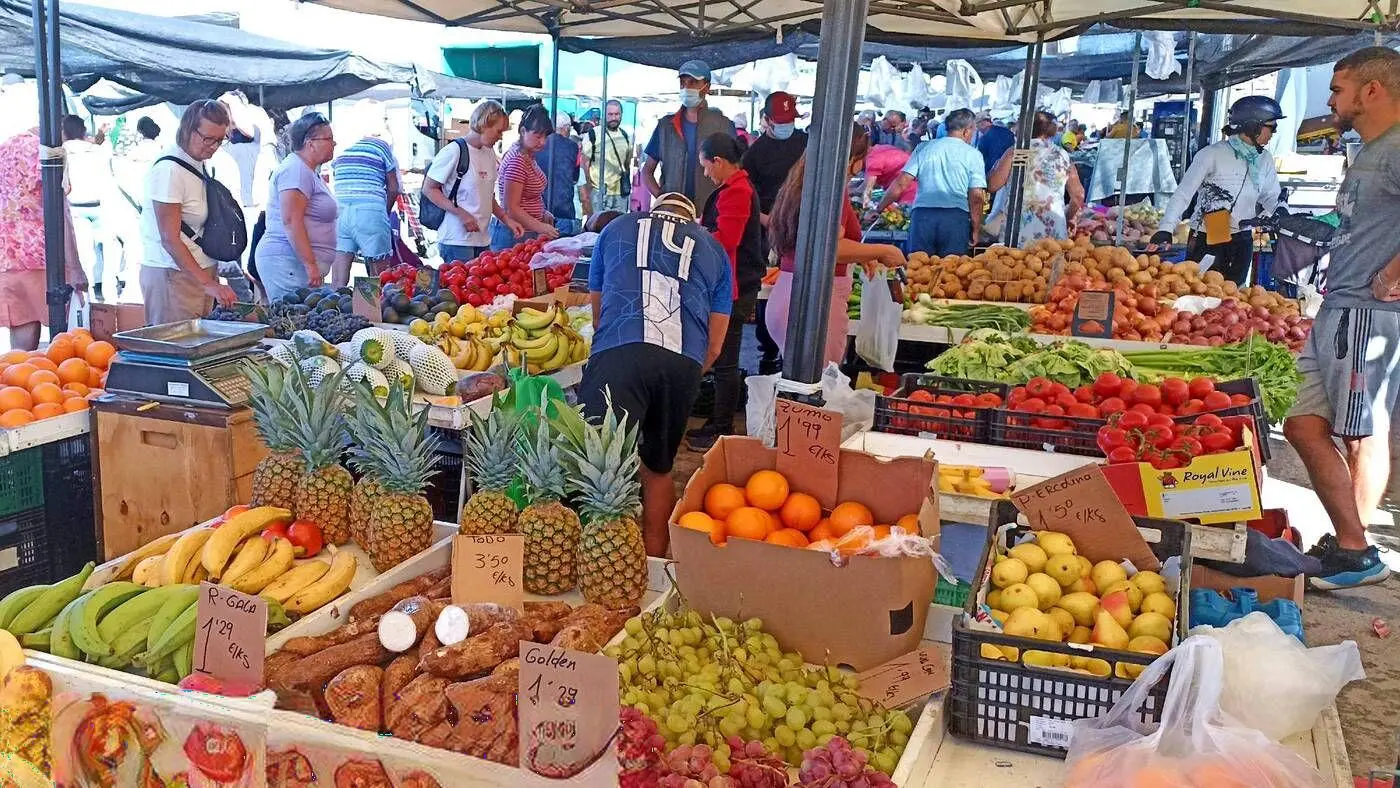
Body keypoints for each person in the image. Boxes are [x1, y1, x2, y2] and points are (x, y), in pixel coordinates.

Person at [1281, 47, 1400, 591]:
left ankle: (1356, 551)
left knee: (1361, 432)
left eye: (1338, 89)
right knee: (1302, 424)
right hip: (1338, 308)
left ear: (1371, 90)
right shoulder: (1371, 148)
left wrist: (1395, 271)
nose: (1331, 100)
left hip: (1367, 312)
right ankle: (1350, 539)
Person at [579, 193, 732, 557]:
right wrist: (687, 373)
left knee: (597, 466)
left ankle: (593, 561)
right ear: (694, 220)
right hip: (682, 362)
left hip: (619, 350)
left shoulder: (615, 228)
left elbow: (599, 316)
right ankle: (653, 566)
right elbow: (714, 346)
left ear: (650, 210)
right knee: (659, 466)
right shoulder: (714, 249)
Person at [766, 124, 907, 367]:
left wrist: (861, 255)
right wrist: (883, 251)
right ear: (852, 159)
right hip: (816, 305)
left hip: (787, 295)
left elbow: (820, 243)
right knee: (818, 395)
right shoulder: (830, 193)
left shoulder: (805, 184)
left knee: (798, 393)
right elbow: (830, 248)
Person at [1150, 96, 1283, 285]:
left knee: (1234, 295)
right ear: (1253, 125)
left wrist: (1281, 211)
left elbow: (1270, 194)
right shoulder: (1211, 154)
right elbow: (1183, 194)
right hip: (1211, 232)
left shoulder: (1264, 159)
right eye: (1271, 127)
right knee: (1201, 290)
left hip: (1243, 236)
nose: (1273, 133)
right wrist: (1166, 228)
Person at [689, 134, 764, 451]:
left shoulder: (737, 191)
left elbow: (727, 241)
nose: (706, 173)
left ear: (718, 161)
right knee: (724, 360)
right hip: (732, 284)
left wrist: (695, 235)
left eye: (706, 166)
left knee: (726, 361)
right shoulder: (736, 188)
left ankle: (722, 425)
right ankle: (719, 422)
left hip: (733, 287)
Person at [140, 99, 238, 324]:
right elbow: (169, 239)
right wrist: (207, 283)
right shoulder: (169, 171)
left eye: (219, 141)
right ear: (188, 129)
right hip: (173, 276)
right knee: (175, 349)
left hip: (197, 274)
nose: (213, 147)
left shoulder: (196, 163)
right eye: (208, 139)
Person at [0, 130, 85, 350]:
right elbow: (60, 211)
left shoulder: (5, 148)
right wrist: (76, 267)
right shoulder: (51, 152)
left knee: (21, 335)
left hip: (8, 254)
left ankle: (17, 382)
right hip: (44, 254)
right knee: (62, 342)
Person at [875, 108, 987, 257]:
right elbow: (976, 196)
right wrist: (976, 227)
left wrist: (879, 208)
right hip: (955, 218)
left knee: (918, 269)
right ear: (967, 131)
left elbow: (900, 184)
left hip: (923, 216)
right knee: (951, 273)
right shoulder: (973, 155)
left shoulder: (924, 148)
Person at [255, 113, 339, 303]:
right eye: (329, 139)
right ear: (310, 143)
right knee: (294, 321)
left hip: (295, 265)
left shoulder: (307, 171)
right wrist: (310, 265)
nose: (334, 144)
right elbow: (291, 220)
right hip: (287, 264)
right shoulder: (296, 170)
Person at [424, 100, 513, 264]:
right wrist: (461, 213)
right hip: (456, 240)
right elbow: (429, 189)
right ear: (484, 124)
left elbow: (487, 196)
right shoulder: (454, 151)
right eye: (498, 131)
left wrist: (506, 220)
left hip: (483, 239)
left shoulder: (489, 153)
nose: (500, 137)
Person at [642, 60, 735, 209]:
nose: (686, 88)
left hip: (709, 212)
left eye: (693, 82)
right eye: (683, 83)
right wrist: (662, 198)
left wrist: (722, 204)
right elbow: (647, 172)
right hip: (672, 212)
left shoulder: (724, 126)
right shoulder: (665, 126)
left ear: (707, 87)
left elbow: (734, 173)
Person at [987, 111, 1085, 242]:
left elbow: (993, 185)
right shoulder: (1062, 155)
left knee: (1015, 262)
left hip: (1019, 230)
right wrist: (1068, 217)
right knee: (1050, 261)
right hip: (1053, 230)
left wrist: (995, 167)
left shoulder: (1019, 152)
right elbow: (1078, 195)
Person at [330, 129, 400, 287]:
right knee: (378, 279)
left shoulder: (344, 153)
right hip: (370, 211)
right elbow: (394, 187)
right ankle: (372, 311)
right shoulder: (382, 146)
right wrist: (385, 212)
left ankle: (336, 309)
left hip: (340, 212)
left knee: (338, 280)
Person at [492, 105, 559, 251]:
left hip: (526, 233)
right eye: (538, 136)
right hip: (514, 235)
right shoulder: (517, 161)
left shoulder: (528, 156)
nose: (543, 142)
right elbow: (511, 208)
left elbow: (528, 196)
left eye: (545, 137)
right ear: (523, 131)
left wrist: (542, 213)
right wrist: (540, 226)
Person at [62, 114, 112, 298]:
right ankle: (107, 296)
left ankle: (87, 299)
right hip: (100, 205)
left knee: (84, 257)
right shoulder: (97, 150)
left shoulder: (62, 151)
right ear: (83, 130)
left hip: (75, 207)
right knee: (106, 255)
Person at [741, 92, 807, 225]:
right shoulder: (754, 154)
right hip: (769, 224)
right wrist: (765, 220)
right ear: (766, 119)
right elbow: (746, 197)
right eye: (781, 122)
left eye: (790, 120)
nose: (786, 125)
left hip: (803, 219)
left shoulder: (807, 143)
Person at [582, 99, 633, 215]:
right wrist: (588, 189)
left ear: (621, 115)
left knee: (618, 229)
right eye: (610, 114)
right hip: (599, 192)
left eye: (617, 114)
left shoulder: (625, 136)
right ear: (604, 115)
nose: (614, 118)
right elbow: (584, 163)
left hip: (620, 194)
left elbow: (627, 162)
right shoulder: (594, 134)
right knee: (598, 229)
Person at [535, 112, 583, 234]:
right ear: (566, 128)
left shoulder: (536, 145)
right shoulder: (573, 146)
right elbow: (575, 178)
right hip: (564, 211)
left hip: (537, 212)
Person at [975, 113, 1016, 178]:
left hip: (993, 176)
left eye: (977, 125)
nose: (977, 128)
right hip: (1010, 173)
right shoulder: (1008, 132)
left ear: (983, 123)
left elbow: (980, 161)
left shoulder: (984, 139)